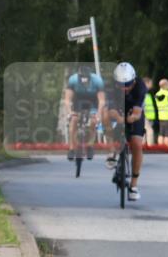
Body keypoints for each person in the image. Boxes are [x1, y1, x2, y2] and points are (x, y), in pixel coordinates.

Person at [103, 62, 147, 201]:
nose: (125, 88)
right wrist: (119, 118)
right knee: (105, 115)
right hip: (117, 109)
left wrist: (130, 119)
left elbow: (137, 113)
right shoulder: (110, 86)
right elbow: (111, 110)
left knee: (137, 144)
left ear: (133, 80)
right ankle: (112, 151)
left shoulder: (140, 86)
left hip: (133, 111)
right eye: (121, 86)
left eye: (128, 85)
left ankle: (134, 185)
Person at [63, 64, 106, 161]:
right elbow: (67, 99)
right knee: (74, 120)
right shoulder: (73, 79)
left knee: (94, 121)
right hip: (78, 100)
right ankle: (71, 149)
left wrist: (98, 115)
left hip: (93, 101)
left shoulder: (97, 80)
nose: (84, 80)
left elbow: (102, 101)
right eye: (82, 78)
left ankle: (90, 146)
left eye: (86, 78)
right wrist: (70, 112)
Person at [142, 77, 158, 147]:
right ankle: (150, 145)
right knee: (149, 129)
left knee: (144, 129)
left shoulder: (146, 93)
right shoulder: (144, 93)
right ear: (146, 83)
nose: (151, 84)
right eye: (150, 83)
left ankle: (143, 144)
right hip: (146, 115)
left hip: (148, 115)